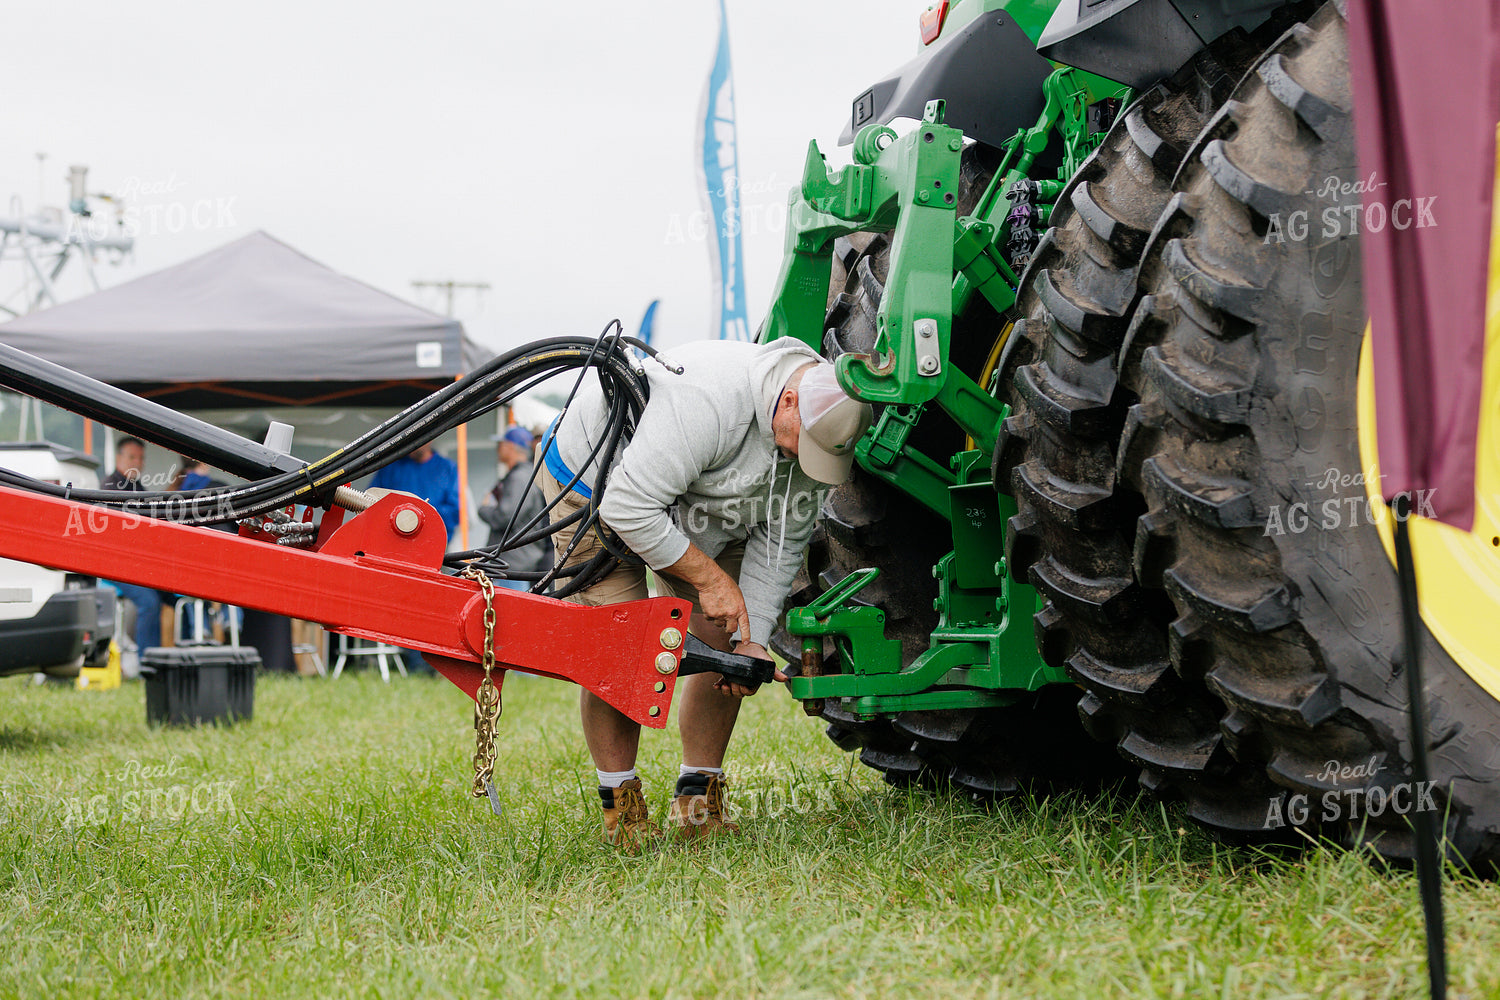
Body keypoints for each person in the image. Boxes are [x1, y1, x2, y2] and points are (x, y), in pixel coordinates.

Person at [541, 337, 872, 850]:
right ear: (789, 401)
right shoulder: (710, 398)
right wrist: (711, 580)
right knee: (622, 645)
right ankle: (620, 805)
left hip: (703, 501)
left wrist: (751, 641)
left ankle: (697, 800)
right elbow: (627, 507)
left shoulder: (817, 435)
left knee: (726, 639)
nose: (799, 457)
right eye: (798, 444)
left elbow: (780, 546)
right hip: (596, 485)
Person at [369, 443, 461, 675]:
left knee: (433, 605)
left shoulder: (447, 469)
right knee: (401, 605)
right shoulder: (392, 468)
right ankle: (398, 661)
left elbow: (455, 510)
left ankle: (432, 662)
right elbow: (370, 501)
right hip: (396, 549)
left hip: (433, 548)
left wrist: (425, 524)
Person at [101, 438, 169, 651]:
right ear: (118, 458)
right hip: (113, 564)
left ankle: (170, 655)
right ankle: (147, 660)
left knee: (173, 593)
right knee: (149, 602)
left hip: (137, 562)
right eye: (132, 457)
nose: (138, 463)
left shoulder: (138, 487)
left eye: (141, 458)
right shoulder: (109, 487)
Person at [477, 426, 553, 592]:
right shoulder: (523, 474)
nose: (498, 448)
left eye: (501, 444)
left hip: (514, 565)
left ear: (510, 446)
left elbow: (505, 517)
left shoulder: (520, 478)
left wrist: (484, 509)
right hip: (514, 562)